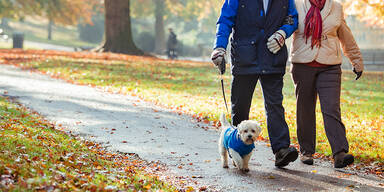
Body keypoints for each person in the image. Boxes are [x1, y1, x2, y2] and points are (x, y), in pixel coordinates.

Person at [211, 0, 299, 167]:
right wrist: (219, 47)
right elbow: (225, 20)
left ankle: (281, 150)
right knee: (241, 105)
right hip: (245, 57)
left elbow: (292, 18)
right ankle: (236, 147)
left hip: (272, 56)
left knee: (275, 106)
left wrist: (282, 33)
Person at [290, 0, 364, 168]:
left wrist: (356, 61)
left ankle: (340, 153)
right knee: (305, 108)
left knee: (331, 108)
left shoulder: (336, 7)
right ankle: (306, 151)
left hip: (330, 65)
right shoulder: (296, 5)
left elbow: (346, 36)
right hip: (303, 64)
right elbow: (285, 28)